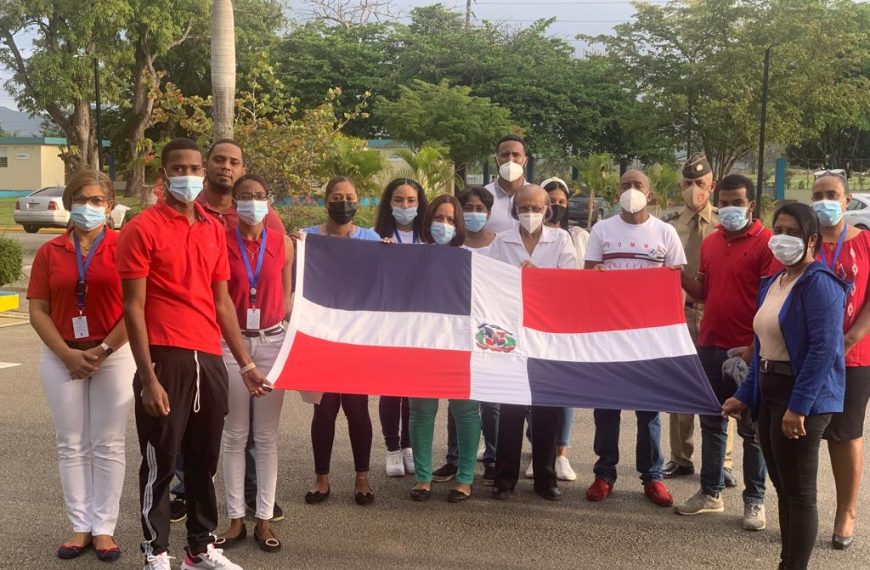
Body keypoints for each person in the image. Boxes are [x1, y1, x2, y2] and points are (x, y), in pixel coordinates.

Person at [118, 138, 268, 570]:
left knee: (204, 459)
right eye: (179, 169)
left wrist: (246, 364)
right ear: (164, 174)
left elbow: (222, 303)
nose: (189, 176)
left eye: (195, 169)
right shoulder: (142, 228)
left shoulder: (211, 228)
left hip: (209, 357)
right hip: (165, 356)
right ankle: (155, 550)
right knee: (162, 460)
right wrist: (148, 378)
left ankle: (199, 548)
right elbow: (133, 307)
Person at [724, 202, 847, 570]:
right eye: (778, 230)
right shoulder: (774, 282)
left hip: (802, 395)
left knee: (801, 494)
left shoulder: (820, 283)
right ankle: (787, 562)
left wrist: (799, 407)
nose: (782, 238)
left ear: (812, 240)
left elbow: (823, 350)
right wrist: (743, 396)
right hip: (770, 388)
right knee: (783, 487)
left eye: (793, 232)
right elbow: (762, 344)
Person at [172, 138, 285, 525]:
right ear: (207, 166)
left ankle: (254, 496)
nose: (226, 166)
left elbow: (283, 276)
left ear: (242, 168)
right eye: (219, 160)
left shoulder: (269, 222)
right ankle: (186, 489)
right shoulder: (191, 209)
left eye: (234, 161)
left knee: (255, 431)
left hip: (260, 336)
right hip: (201, 330)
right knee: (199, 415)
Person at [28, 170, 135, 563]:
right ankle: (80, 526)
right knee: (71, 443)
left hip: (114, 354)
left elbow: (136, 307)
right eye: (80, 199)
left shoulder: (124, 246)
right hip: (61, 355)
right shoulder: (50, 251)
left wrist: (103, 350)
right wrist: (66, 353)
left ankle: (104, 527)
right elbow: (37, 309)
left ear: (109, 206)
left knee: (108, 443)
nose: (88, 206)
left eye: (96, 200)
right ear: (69, 203)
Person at [675, 174, 774, 531]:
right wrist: (676, 274)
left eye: (737, 203)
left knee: (752, 430)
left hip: (748, 351)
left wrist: (755, 347)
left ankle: (754, 500)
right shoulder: (712, 242)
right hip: (710, 344)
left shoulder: (767, 243)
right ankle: (710, 492)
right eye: (725, 202)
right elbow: (703, 290)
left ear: (751, 205)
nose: (730, 208)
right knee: (712, 423)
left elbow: (772, 299)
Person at [583, 170, 685, 508]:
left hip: (649, 336)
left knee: (648, 410)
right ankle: (604, 473)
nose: (631, 190)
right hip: (609, 334)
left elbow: (677, 286)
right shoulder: (602, 230)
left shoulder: (665, 232)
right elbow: (587, 276)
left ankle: (652, 476)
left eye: (637, 185)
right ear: (617, 193)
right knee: (606, 408)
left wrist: (674, 332)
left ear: (649, 193)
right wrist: (594, 277)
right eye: (625, 185)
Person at [216, 175, 294, 554]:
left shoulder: (283, 243)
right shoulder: (220, 241)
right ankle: (235, 519)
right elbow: (219, 299)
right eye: (245, 196)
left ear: (269, 201)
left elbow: (288, 297)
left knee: (265, 436)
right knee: (234, 434)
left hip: (272, 341)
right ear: (234, 202)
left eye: (259, 195)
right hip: (231, 344)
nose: (252, 202)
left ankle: (263, 517)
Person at [488, 185, 577, 501]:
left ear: (547, 210)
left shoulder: (560, 240)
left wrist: (537, 276)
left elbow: (570, 284)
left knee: (546, 410)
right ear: (514, 210)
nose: (530, 213)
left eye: (537, 208)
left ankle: (545, 478)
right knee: (511, 409)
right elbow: (491, 283)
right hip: (512, 333)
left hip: (547, 334)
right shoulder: (502, 241)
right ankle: (504, 478)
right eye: (524, 207)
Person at [303, 176, 380, 506]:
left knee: (357, 409)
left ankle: (362, 477)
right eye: (337, 197)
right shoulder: (307, 238)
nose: (343, 203)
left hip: (355, 338)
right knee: (324, 410)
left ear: (358, 201)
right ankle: (321, 478)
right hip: (320, 336)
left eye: (349, 197)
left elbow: (381, 280)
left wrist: (389, 253)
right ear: (326, 201)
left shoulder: (371, 239)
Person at [663, 154, 735, 483]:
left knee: (721, 385)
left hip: (716, 312)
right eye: (689, 183)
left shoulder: (725, 222)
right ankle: (680, 457)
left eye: (701, 183)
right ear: (681, 185)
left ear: (712, 185)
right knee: (680, 383)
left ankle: (723, 462)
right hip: (678, 311)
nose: (695, 189)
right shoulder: (667, 224)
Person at [810, 171, 870, 549]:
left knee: (845, 434)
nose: (825, 201)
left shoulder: (866, 242)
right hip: (806, 356)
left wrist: (850, 339)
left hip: (853, 356)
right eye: (818, 195)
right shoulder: (804, 242)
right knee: (801, 432)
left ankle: (846, 512)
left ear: (847, 200)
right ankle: (803, 511)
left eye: (832, 194)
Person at [407, 195, 481, 502]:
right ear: (428, 221)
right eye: (439, 218)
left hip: (460, 343)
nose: (444, 224)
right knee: (421, 412)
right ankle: (422, 477)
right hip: (422, 343)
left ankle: (465, 478)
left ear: (459, 225)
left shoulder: (472, 259)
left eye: (451, 219)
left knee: (465, 411)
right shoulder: (410, 257)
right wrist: (384, 254)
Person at [430, 187, 500, 486]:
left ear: (489, 212)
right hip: (454, 330)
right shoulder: (452, 248)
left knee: (490, 402)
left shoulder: (499, 245)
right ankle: (454, 459)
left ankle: (493, 459)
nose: (473, 213)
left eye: (479, 208)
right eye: (467, 207)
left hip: (488, 328)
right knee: (458, 397)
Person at [372, 178, 428, 477]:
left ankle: (408, 445)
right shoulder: (375, 236)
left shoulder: (429, 237)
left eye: (410, 200)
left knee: (413, 389)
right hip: (390, 324)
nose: (405, 206)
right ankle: (392, 447)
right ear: (389, 203)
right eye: (398, 200)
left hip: (421, 324)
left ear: (420, 204)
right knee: (391, 389)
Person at [541, 176, 586, 482]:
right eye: (550, 201)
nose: (556, 206)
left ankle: (562, 454)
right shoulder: (527, 234)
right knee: (538, 390)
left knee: (564, 390)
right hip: (535, 320)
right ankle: (539, 452)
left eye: (561, 201)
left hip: (567, 320)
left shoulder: (579, 236)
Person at [483, 135, 528, 233]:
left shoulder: (537, 196)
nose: (510, 160)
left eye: (516, 155)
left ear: (525, 161)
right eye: (505, 155)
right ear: (496, 160)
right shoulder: (483, 196)